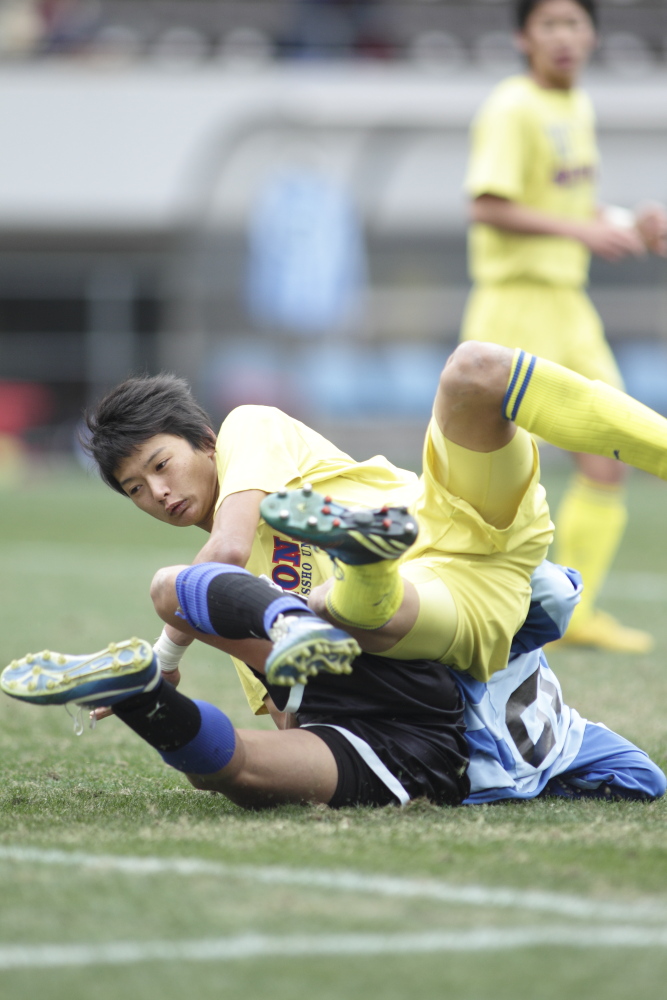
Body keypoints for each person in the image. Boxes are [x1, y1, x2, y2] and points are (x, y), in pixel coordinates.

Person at [84, 338, 667, 693]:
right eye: (135, 488)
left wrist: (165, 656)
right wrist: (160, 705)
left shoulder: (248, 428)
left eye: (161, 465)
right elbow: (304, 717)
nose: (158, 493)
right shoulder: (234, 609)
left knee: (475, 369)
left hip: (459, 516)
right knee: (332, 611)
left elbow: (225, 558)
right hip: (450, 609)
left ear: (205, 442)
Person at [2, 559, 663, 808]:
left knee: (173, 589)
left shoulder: (512, 650)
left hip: (395, 699)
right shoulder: (578, 740)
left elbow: (549, 590)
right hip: (422, 749)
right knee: (245, 774)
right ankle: (148, 699)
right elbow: (645, 784)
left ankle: (144, 681)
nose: (154, 493)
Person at [460, 0, 667, 653]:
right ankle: (465, 608)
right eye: (548, 24)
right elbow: (485, 205)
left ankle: (577, 613)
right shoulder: (511, 106)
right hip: (514, 302)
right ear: (523, 36)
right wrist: (582, 229)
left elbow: (563, 202)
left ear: (592, 35)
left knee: (610, 457)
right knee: (491, 480)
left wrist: (624, 223)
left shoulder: (575, 107)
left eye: (574, 23)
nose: (563, 37)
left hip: (567, 304)